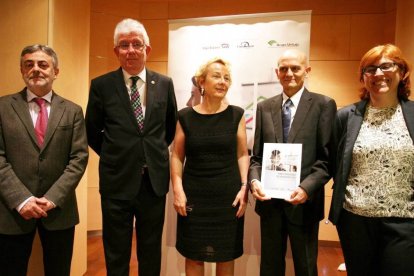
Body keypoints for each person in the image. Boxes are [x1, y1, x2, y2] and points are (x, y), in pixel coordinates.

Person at [85, 18, 178, 276]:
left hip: (154, 182)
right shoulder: (101, 86)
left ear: (147, 49)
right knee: (116, 251)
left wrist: (148, 154)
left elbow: (169, 129)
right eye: (124, 45)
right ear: (116, 51)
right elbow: (92, 131)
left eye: (137, 44)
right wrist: (118, 154)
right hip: (117, 181)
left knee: (150, 250)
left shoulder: (164, 84)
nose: (131, 50)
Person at [0, 44, 88, 276]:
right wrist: (22, 200)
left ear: (55, 71)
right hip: (12, 212)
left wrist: (52, 198)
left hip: (59, 210)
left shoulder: (73, 111)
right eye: (29, 64)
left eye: (43, 64)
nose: (36, 69)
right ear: (21, 70)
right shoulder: (2, 107)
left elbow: (78, 159)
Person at [248, 49, 337, 276]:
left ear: (306, 71)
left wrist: (306, 188)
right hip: (270, 204)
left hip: (304, 203)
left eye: (295, 68)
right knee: (269, 267)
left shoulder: (323, 105)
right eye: (284, 69)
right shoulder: (264, 107)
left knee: (306, 267)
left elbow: (326, 159)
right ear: (277, 73)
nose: (289, 73)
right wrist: (255, 180)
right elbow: (256, 157)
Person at [329, 44, 414, 276]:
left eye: (386, 66)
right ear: (363, 77)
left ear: (402, 71)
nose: (378, 74)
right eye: (370, 69)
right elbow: (335, 163)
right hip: (355, 221)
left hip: (404, 221)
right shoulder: (346, 116)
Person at [171, 58, 249, 276]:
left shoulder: (237, 114)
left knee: (226, 256)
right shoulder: (185, 116)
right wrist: (177, 189)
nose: (223, 81)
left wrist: (245, 188)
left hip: (228, 197)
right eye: (216, 76)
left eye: (226, 78)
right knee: (194, 256)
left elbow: (243, 153)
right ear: (201, 82)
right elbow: (176, 155)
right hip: (194, 197)